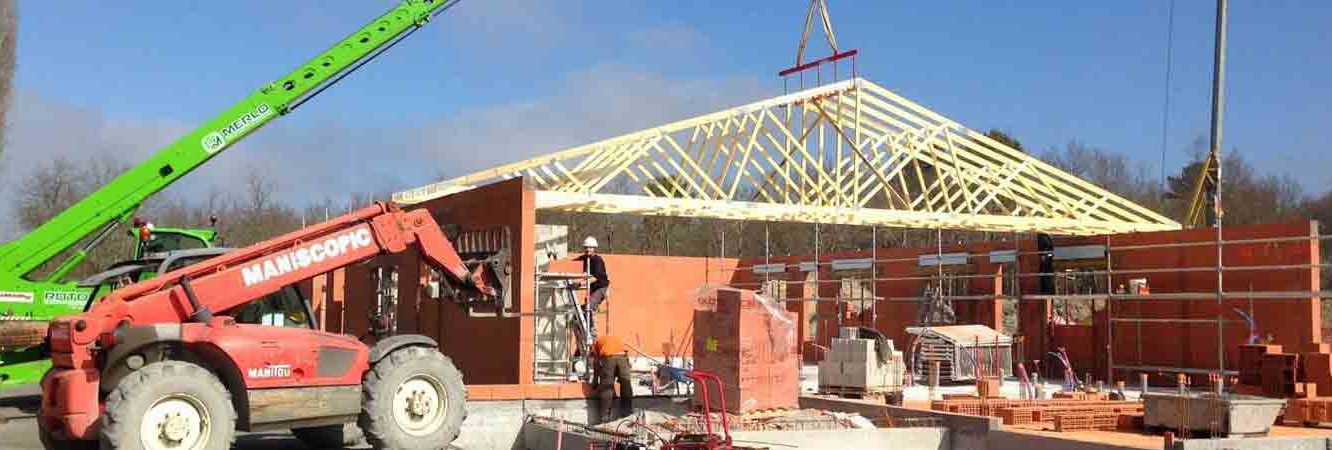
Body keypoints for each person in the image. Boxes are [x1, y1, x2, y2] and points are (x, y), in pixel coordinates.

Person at [573, 236, 610, 335]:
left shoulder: (597, 260)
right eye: (586, 247)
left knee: (589, 307)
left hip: (600, 288)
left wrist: (581, 283)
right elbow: (585, 273)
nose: (588, 249)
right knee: (580, 310)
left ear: (594, 248)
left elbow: (595, 277)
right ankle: (584, 329)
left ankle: (592, 332)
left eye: (590, 247)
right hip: (593, 287)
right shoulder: (586, 259)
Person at [592, 334, 633, 422]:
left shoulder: (596, 344)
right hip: (623, 357)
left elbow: (596, 363)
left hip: (609, 357)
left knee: (607, 386)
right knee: (626, 384)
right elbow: (626, 357)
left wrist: (595, 381)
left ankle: (605, 417)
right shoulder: (616, 338)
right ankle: (627, 413)